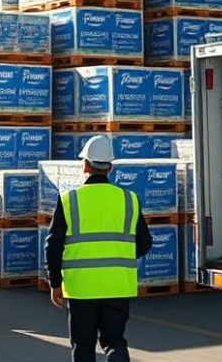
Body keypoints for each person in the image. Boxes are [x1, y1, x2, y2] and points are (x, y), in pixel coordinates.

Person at [45, 135, 152, 362]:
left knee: (83, 345)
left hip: (81, 289)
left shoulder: (68, 200)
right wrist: (118, 256)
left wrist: (54, 282)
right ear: (110, 167)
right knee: (114, 341)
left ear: (84, 165)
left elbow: (52, 246)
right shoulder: (129, 199)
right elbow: (145, 243)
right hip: (117, 285)